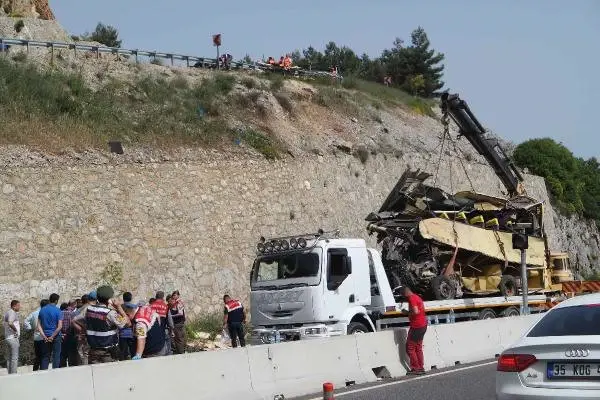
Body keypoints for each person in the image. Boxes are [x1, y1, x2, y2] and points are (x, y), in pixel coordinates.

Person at [72, 285, 130, 364]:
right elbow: (128, 323)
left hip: (93, 352)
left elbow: (75, 320)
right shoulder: (110, 313)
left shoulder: (88, 309)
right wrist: (119, 307)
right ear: (109, 299)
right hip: (108, 354)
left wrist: (84, 331)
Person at [401, 286, 428, 375]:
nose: (404, 298)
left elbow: (416, 311)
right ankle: (420, 367)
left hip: (416, 326)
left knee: (410, 348)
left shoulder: (412, 298)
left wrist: (407, 313)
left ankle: (415, 368)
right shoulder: (417, 297)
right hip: (423, 325)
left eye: (403, 295)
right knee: (418, 347)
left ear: (405, 293)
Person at [37, 293, 63, 370]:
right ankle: (55, 374)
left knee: (45, 356)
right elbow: (59, 327)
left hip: (45, 336)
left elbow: (38, 325)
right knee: (56, 356)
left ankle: (43, 373)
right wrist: (52, 336)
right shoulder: (58, 310)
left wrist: (44, 336)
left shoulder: (42, 310)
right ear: (56, 301)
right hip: (56, 337)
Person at [24, 299, 49, 371]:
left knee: (38, 356)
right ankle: (43, 371)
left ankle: (35, 371)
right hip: (44, 337)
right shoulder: (46, 313)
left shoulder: (34, 313)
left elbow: (26, 321)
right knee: (44, 356)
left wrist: (30, 328)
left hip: (36, 337)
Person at [73, 292, 95, 365]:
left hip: (80, 335)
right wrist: (84, 329)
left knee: (81, 353)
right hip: (90, 334)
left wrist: (81, 330)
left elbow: (73, 321)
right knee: (86, 353)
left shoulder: (78, 310)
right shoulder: (91, 308)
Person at [3, 300, 21, 374]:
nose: (19, 307)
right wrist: (16, 330)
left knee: (10, 358)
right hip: (13, 338)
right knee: (14, 358)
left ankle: (10, 375)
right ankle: (13, 375)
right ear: (14, 306)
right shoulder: (12, 313)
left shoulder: (7, 313)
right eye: (18, 306)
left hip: (8, 337)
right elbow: (10, 323)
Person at [118, 292, 136, 361]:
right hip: (132, 332)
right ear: (131, 298)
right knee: (133, 351)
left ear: (123, 298)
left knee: (123, 351)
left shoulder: (120, 307)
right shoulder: (134, 307)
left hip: (122, 332)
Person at [59, 300, 77, 367]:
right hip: (70, 335)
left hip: (62, 335)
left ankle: (62, 367)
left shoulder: (59, 313)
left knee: (62, 354)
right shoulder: (72, 313)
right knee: (71, 354)